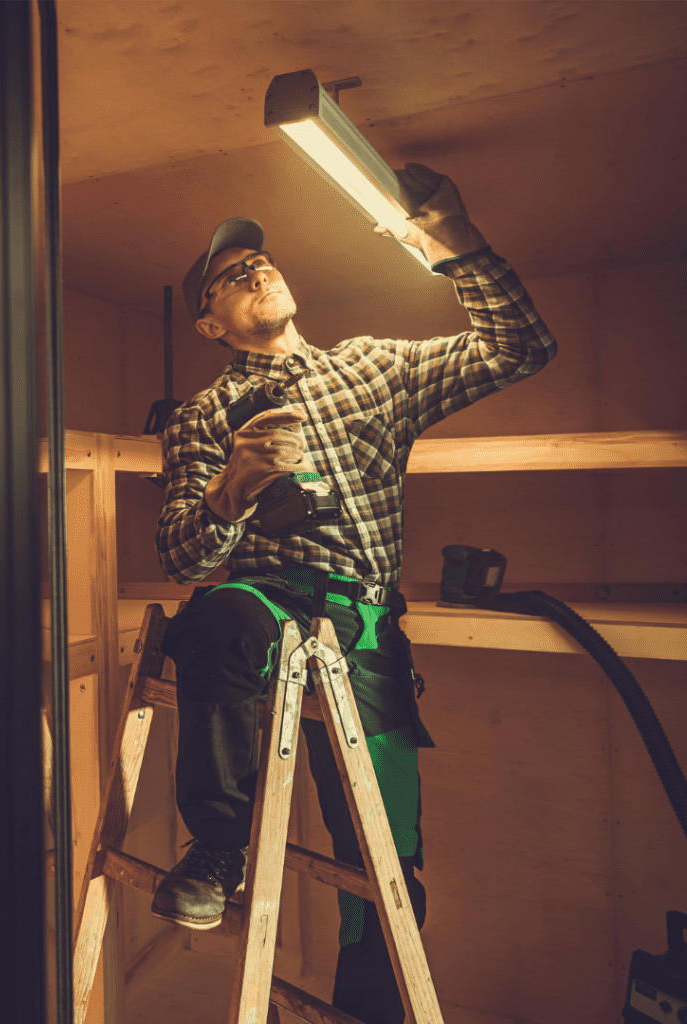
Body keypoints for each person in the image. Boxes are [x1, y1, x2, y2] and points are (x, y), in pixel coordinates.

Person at [149, 163, 558, 1024]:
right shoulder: (201, 418)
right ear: (208, 322)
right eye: (231, 275)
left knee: (384, 859)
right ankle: (220, 847)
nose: (255, 271)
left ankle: (369, 1010)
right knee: (214, 616)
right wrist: (235, 483)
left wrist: (459, 247)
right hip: (267, 601)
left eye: (262, 260)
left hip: (366, 622)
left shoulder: (371, 369)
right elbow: (184, 556)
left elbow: (521, 347)